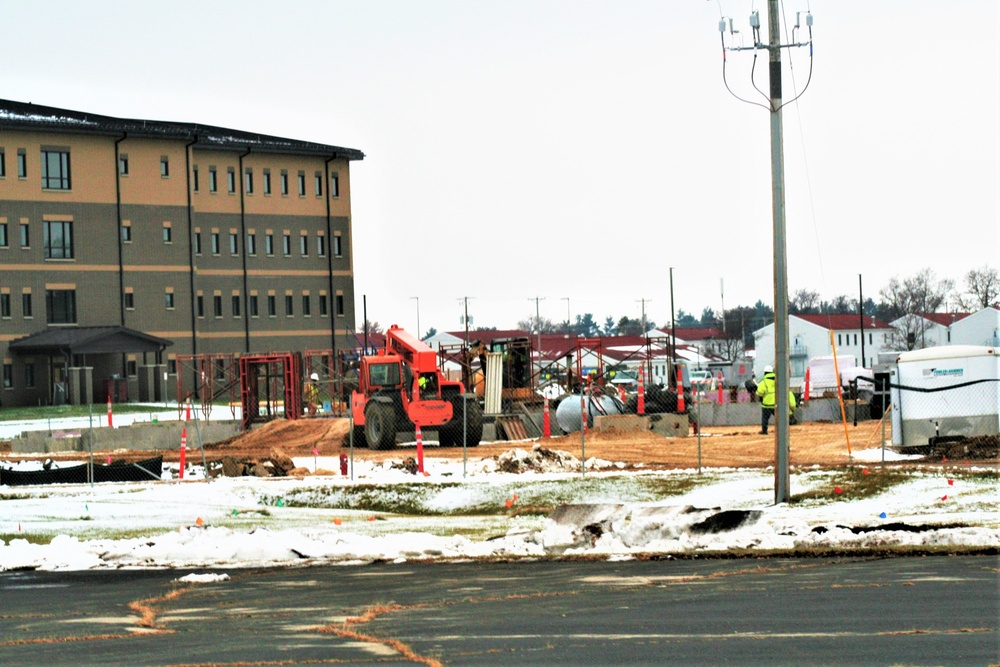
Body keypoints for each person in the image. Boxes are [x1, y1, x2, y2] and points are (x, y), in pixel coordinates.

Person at [756, 365, 797, 434]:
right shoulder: (778, 380)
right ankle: (783, 430)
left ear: (765, 373)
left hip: (766, 404)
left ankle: (764, 431)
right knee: (780, 418)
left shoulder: (763, 382)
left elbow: (759, 393)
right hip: (776, 403)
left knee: (765, 419)